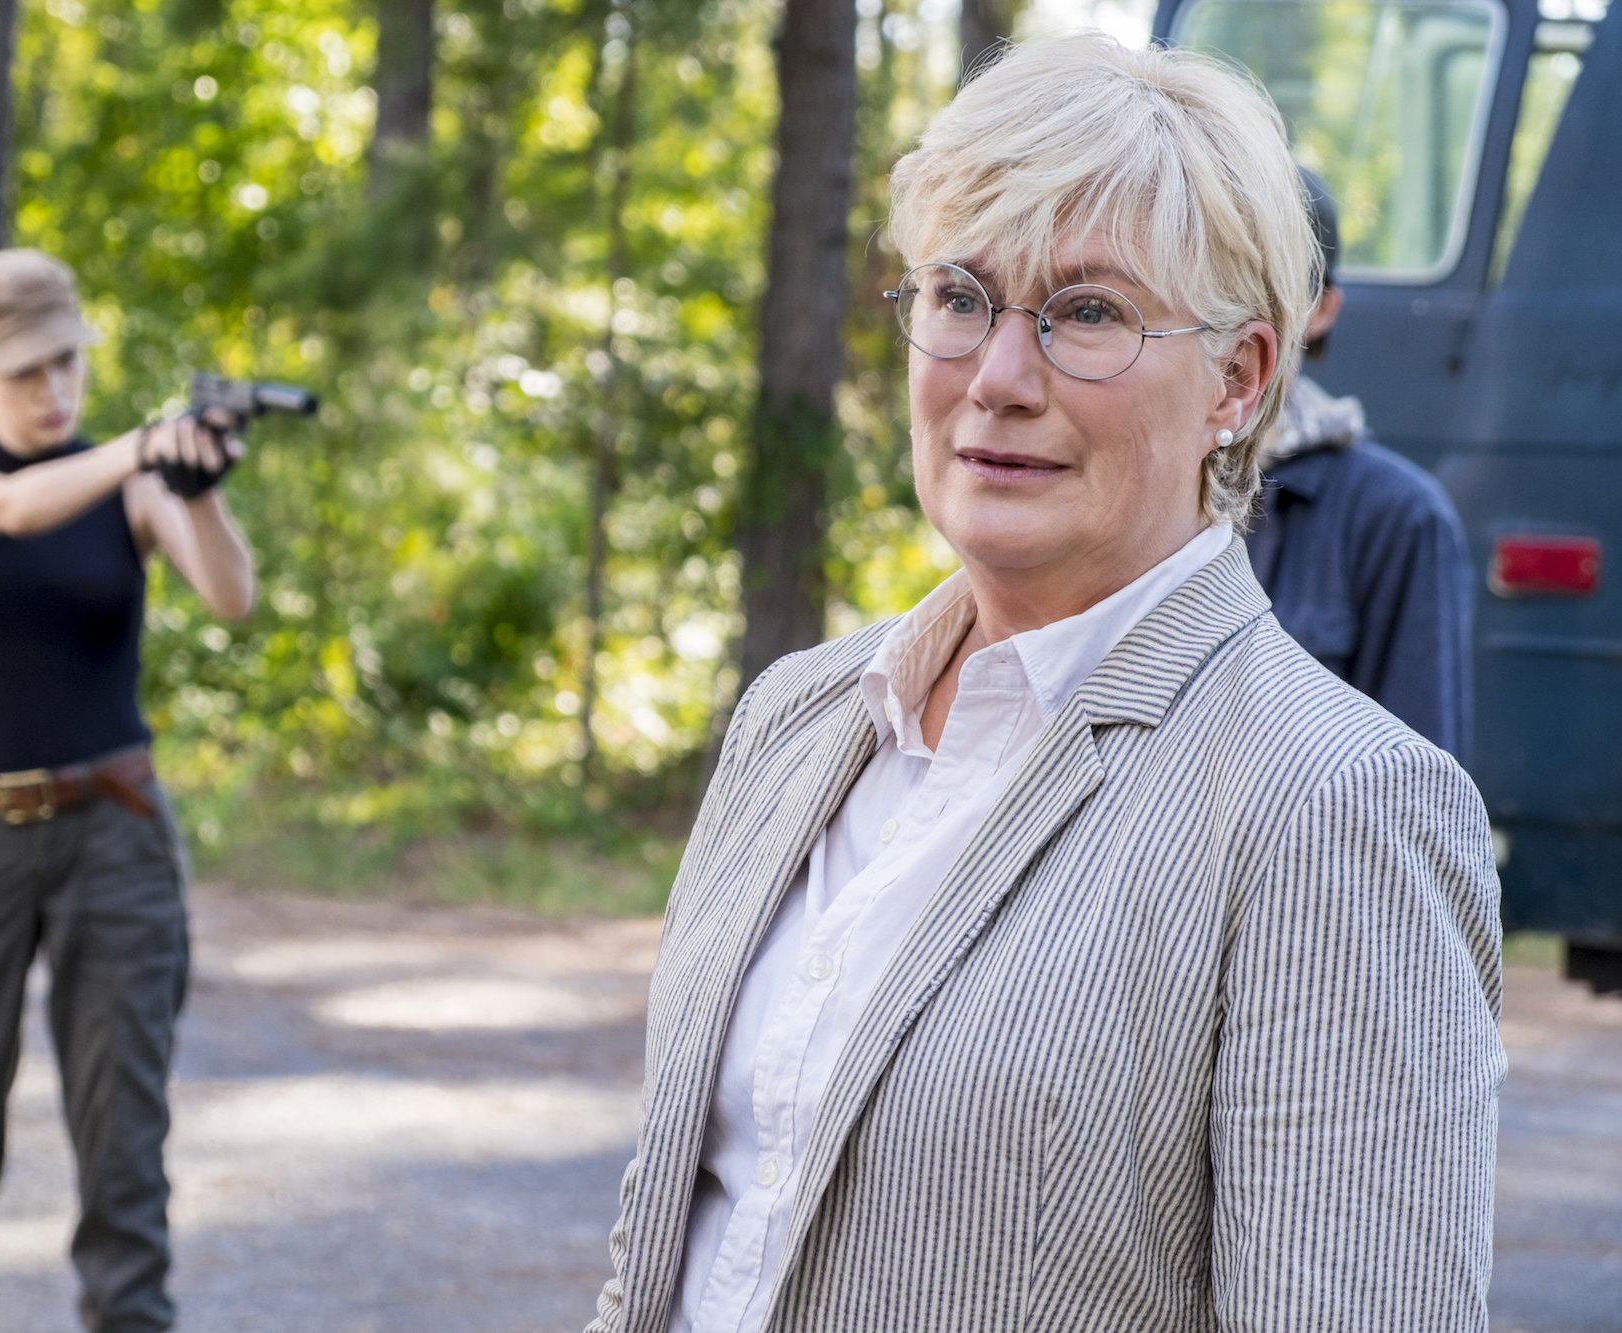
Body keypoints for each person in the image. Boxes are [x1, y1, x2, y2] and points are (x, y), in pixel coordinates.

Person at [589, 32, 1503, 1333]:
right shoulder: (799, 715)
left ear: (1239, 378)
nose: (999, 379)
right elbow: (679, 1240)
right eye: (960, 296)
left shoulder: (1333, 808)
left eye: (1088, 314)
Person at [0, 247, 254, 1333]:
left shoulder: (131, 484)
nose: (54, 390)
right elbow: (11, 510)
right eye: (26, 371)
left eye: (68, 363)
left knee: (122, 1131)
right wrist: (141, 443)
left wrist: (197, 492)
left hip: (114, 833)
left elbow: (230, 595)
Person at [1246, 168, 1476, 757]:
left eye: (1257, 280)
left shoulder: (1399, 518)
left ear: (1321, 309)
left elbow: (1417, 788)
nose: (1224, 315)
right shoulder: (1126, 487)